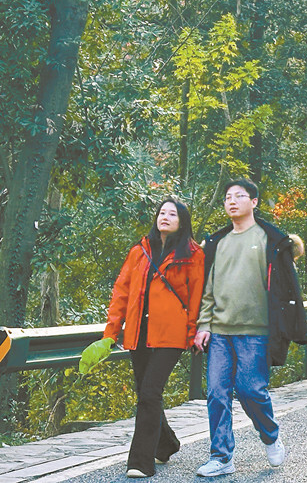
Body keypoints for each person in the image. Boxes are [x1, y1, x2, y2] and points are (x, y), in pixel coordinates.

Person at [193, 179, 307, 477]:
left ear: (254, 202)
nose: (232, 201)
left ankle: (270, 434)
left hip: (256, 331)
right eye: (228, 197)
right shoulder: (218, 242)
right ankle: (221, 456)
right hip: (219, 330)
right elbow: (208, 288)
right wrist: (203, 324)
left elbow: (286, 288)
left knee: (250, 391)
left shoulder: (271, 239)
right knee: (217, 393)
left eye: (239, 196)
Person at [100, 198, 204, 479]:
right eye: (162, 212)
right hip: (138, 333)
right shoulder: (139, 251)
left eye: (172, 214)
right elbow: (121, 291)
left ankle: (141, 463)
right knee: (147, 393)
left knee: (149, 393)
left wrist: (193, 333)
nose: (165, 217)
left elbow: (196, 298)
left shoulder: (193, 254)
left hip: (171, 336)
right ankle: (167, 443)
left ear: (183, 221)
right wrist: (111, 333)